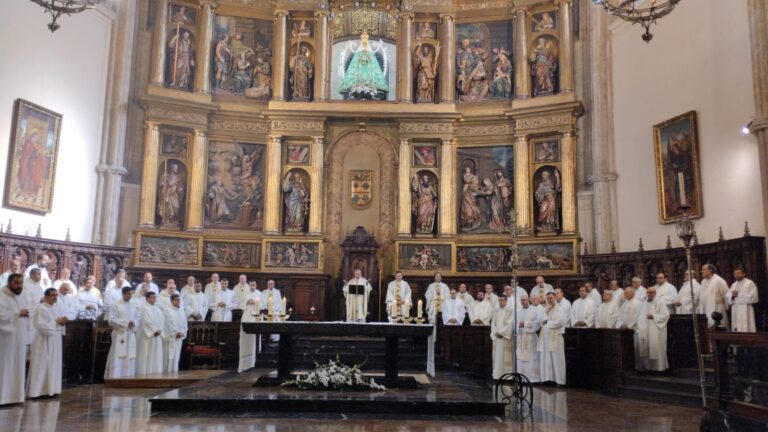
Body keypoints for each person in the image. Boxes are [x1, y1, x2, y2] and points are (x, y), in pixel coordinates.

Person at [27, 288, 66, 399]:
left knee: (53, 364)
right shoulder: (40, 308)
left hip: (55, 340)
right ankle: (37, 391)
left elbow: (58, 321)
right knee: (42, 364)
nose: (55, 297)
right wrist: (56, 322)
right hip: (43, 340)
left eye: (56, 295)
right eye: (53, 295)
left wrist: (62, 322)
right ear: (46, 296)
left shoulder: (56, 308)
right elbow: (40, 325)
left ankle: (52, 389)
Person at [0, 273, 30, 405]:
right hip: (5, 339)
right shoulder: (1, 296)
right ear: (9, 283)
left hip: (19, 337)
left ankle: (15, 397)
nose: (19, 286)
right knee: (5, 365)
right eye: (17, 283)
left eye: (21, 283)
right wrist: (18, 313)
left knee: (17, 365)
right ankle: (3, 397)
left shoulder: (22, 296)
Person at [104, 287, 138, 379]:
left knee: (129, 354)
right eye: (128, 294)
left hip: (130, 333)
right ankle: (116, 377)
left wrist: (134, 323)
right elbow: (111, 320)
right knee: (118, 354)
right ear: (123, 294)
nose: (130, 295)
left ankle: (128, 376)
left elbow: (138, 318)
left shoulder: (134, 304)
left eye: (131, 293)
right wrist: (127, 323)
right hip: (120, 333)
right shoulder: (116, 305)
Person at [636, 286, 670, 371]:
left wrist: (654, 316)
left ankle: (659, 368)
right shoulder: (644, 303)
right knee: (646, 349)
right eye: (648, 292)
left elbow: (666, 315)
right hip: (645, 330)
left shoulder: (660, 302)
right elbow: (640, 317)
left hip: (656, 329)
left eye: (651, 292)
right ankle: (648, 368)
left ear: (655, 293)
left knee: (656, 348)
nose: (649, 294)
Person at [538, 292, 566, 386]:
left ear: (555, 297)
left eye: (551, 298)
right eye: (548, 298)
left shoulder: (560, 309)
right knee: (545, 358)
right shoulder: (545, 309)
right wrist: (546, 312)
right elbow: (540, 320)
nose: (550, 300)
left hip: (556, 337)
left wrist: (547, 322)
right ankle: (546, 378)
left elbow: (560, 322)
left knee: (556, 358)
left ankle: (559, 381)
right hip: (545, 337)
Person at [136, 292, 165, 376]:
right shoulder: (143, 308)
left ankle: (155, 373)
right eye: (152, 297)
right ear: (147, 298)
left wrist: (160, 329)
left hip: (157, 335)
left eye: (155, 297)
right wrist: (154, 330)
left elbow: (162, 319)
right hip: (147, 335)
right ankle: (144, 373)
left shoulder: (157, 308)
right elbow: (146, 320)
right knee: (146, 354)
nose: (154, 299)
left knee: (156, 354)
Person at [238, 280, 265, 372]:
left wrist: (255, 303)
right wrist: (246, 303)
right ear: (249, 285)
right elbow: (240, 304)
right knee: (245, 334)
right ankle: (245, 357)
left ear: (256, 285)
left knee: (254, 336)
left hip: (255, 315)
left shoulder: (260, 294)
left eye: (253, 285)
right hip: (246, 315)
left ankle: (255, 354)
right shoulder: (245, 293)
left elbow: (264, 305)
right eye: (251, 285)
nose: (252, 286)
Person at [517, 295, 541, 383]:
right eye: (522, 300)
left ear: (528, 300)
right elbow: (513, 323)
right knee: (521, 357)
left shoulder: (534, 311)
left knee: (531, 357)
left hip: (531, 337)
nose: (523, 301)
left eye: (525, 300)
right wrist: (518, 326)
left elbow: (538, 324)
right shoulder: (518, 311)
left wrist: (526, 324)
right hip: (521, 337)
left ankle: (533, 379)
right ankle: (521, 378)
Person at [726, 267, 758, 332]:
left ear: (744, 274)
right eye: (735, 273)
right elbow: (728, 296)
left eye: (738, 273)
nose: (736, 275)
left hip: (746, 308)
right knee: (736, 327)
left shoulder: (749, 283)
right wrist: (732, 296)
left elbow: (753, 297)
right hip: (736, 309)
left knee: (747, 327)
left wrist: (738, 295)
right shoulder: (734, 285)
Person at [490, 296, 514, 379]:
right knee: (497, 358)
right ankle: (497, 375)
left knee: (505, 357)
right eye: (499, 300)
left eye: (502, 300)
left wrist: (502, 333)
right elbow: (493, 323)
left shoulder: (510, 310)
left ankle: (507, 376)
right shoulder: (496, 310)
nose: (500, 302)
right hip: (497, 337)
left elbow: (510, 323)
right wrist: (495, 332)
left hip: (504, 337)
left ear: (506, 301)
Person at [162, 294, 187, 374]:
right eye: (176, 299)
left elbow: (184, 323)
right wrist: (175, 332)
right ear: (172, 300)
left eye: (179, 299)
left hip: (179, 338)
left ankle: (174, 373)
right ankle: (166, 374)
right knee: (168, 356)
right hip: (170, 338)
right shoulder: (167, 310)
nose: (178, 301)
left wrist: (182, 332)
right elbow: (168, 323)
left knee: (176, 358)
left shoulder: (181, 310)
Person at [700, 264, 729, 328]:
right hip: (706, 309)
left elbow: (726, 295)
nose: (701, 271)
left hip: (717, 308)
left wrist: (724, 305)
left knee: (718, 327)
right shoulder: (703, 281)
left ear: (710, 270)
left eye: (704, 270)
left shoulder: (718, 280)